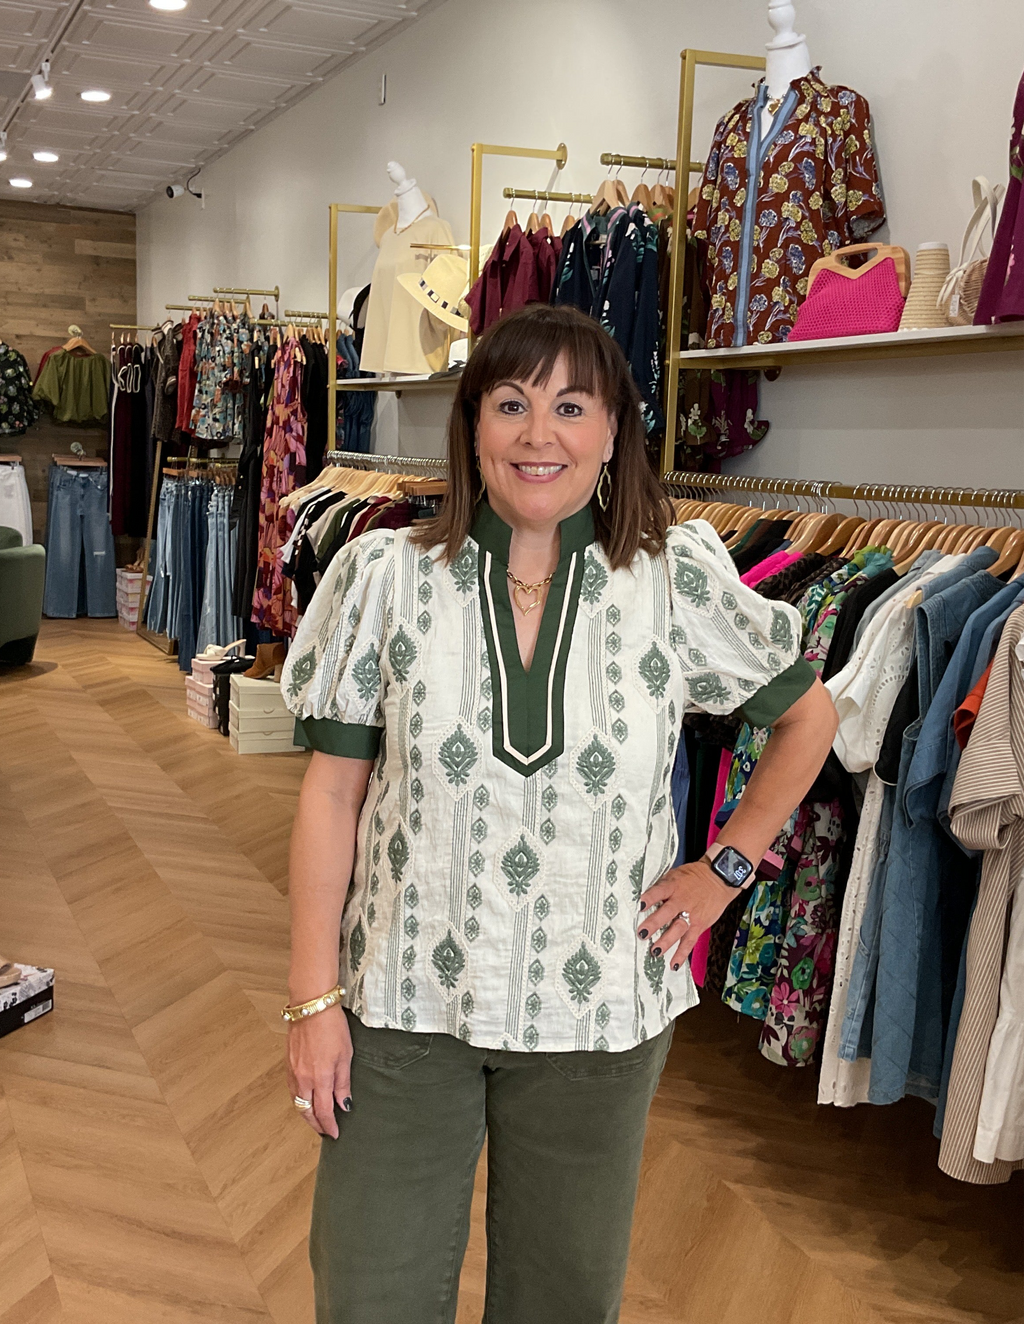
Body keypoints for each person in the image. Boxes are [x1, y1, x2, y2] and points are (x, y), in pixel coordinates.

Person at [280, 304, 838, 1323]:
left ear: (614, 430)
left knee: (564, 1298)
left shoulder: (676, 578)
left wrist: (725, 869)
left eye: (570, 405)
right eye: (511, 403)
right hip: (404, 1006)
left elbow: (809, 715)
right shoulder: (387, 577)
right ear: (473, 426)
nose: (540, 433)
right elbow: (331, 793)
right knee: (368, 1291)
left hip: (597, 1018)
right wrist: (314, 1004)